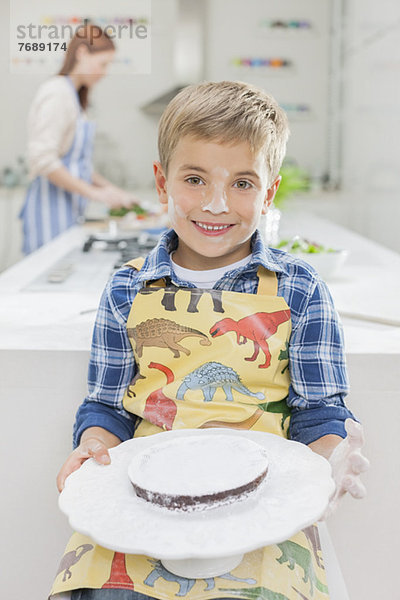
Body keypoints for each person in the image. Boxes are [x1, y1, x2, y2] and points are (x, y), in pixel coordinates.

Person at [51, 81, 369, 600]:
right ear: (162, 182)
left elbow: (318, 413)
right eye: (195, 179)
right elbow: (106, 405)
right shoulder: (126, 288)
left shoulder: (302, 288)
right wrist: (93, 446)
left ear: (269, 193)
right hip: (142, 501)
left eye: (243, 183)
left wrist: (331, 452)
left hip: (262, 504)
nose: (217, 204)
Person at [20, 24, 136, 255]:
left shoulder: (75, 98)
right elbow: (43, 160)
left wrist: (112, 191)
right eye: (103, 64)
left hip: (67, 213)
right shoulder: (57, 93)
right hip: (48, 213)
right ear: (82, 53)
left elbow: (78, 165)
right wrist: (95, 194)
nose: (104, 72)